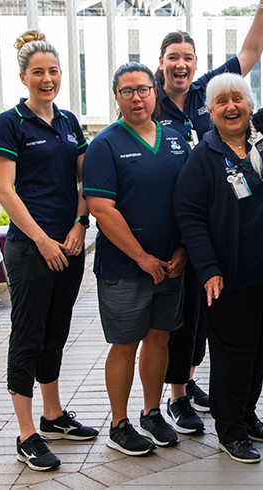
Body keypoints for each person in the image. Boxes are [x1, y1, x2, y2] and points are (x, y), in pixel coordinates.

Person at [173, 40, 263, 462]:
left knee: (261, 350)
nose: (231, 106)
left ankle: (247, 413)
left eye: (238, 98)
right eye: (221, 102)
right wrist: (210, 270)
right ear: (211, 110)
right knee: (232, 356)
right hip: (231, 278)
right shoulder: (204, 158)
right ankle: (230, 428)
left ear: (250, 104)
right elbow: (191, 218)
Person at [0, 30, 98, 471]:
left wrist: (79, 223)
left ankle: (53, 417)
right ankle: (27, 433)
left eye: (53, 71)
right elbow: (4, 190)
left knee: (56, 333)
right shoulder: (9, 123)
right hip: (31, 249)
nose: (46, 79)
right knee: (28, 337)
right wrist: (42, 239)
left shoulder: (69, 122)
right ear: (22, 77)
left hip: (69, 245)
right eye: (38, 72)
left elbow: (86, 180)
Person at [157, 0, 263, 424]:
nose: (181, 65)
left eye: (188, 58)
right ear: (162, 63)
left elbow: (251, 54)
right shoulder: (148, 102)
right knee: (181, 319)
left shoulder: (208, 94)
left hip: (212, 227)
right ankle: (175, 396)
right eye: (174, 58)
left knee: (206, 321)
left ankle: (188, 382)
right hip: (172, 230)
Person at [83, 63, 189, 456]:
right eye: (127, 91)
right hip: (125, 267)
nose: (136, 97)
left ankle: (151, 412)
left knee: (159, 339)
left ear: (156, 91)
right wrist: (142, 257)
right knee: (125, 343)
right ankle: (119, 423)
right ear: (117, 98)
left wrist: (181, 251)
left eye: (143, 89)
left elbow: (189, 201)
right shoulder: (105, 146)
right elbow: (102, 209)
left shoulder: (176, 140)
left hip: (170, 265)